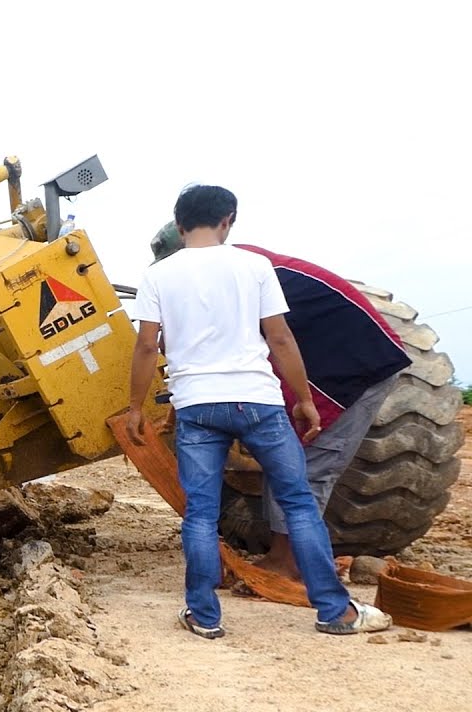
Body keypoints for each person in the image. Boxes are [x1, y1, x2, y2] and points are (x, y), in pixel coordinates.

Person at [126, 184, 391, 638]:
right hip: (259, 402)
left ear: (180, 222)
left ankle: (205, 618)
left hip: (198, 407)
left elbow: (149, 344)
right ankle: (336, 612)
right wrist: (305, 400)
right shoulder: (255, 266)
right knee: (300, 504)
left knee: (201, 514)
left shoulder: (159, 276)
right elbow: (281, 338)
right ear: (228, 220)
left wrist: (135, 407)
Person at [150, 222, 411, 581]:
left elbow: (267, 340)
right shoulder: (247, 267)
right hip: (329, 359)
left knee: (309, 463)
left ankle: (288, 565)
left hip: (355, 367)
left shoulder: (240, 276)